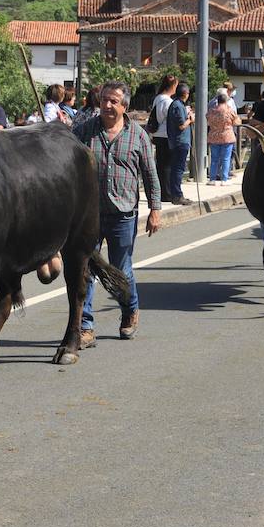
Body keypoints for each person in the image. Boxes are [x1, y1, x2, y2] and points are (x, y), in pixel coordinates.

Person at [72, 81, 160, 345]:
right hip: (90, 214)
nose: (107, 105)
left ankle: (129, 310)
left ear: (125, 106)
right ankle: (85, 326)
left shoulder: (138, 136)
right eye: (104, 100)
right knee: (86, 269)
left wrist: (155, 209)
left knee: (121, 269)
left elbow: (150, 175)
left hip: (123, 214)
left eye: (113, 101)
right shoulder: (83, 131)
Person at [148, 74, 177, 202]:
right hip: (166, 135)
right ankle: (166, 193)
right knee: (168, 166)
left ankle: (160, 192)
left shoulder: (157, 98)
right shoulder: (168, 102)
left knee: (160, 165)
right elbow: (169, 118)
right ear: (172, 86)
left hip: (157, 135)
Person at [165, 83, 194, 205]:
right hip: (179, 142)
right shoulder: (177, 105)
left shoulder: (178, 104)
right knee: (178, 169)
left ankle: (176, 193)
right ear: (185, 94)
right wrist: (190, 120)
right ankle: (177, 195)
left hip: (179, 141)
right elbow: (181, 125)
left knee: (177, 168)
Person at [206, 88, 239, 185]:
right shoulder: (229, 110)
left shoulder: (212, 110)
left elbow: (207, 119)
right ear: (226, 100)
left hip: (214, 136)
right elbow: (236, 122)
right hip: (227, 136)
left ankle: (212, 179)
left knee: (214, 158)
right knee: (226, 158)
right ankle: (224, 179)